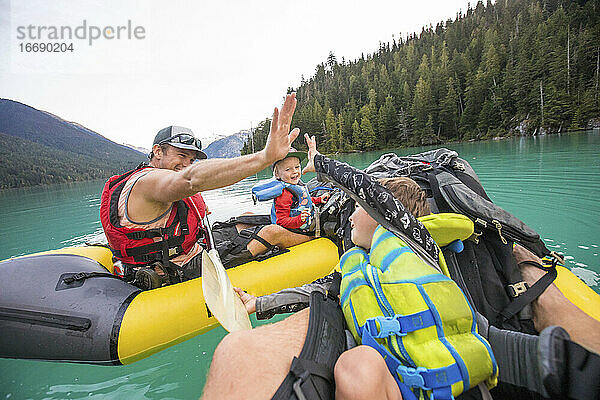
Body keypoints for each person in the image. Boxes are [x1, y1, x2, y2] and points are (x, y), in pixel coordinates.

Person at [202, 139, 600, 400]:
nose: (351, 215)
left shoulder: (416, 244)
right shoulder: (355, 265)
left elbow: (369, 192)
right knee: (357, 368)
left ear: (384, 217)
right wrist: (259, 302)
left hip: (452, 374)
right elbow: (313, 291)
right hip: (395, 379)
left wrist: (321, 163)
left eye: (359, 209)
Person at [99, 94, 312, 288]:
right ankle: (318, 240)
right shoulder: (148, 182)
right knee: (271, 233)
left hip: (189, 247)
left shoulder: (150, 179)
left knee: (246, 218)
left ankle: (299, 229)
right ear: (157, 151)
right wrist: (265, 158)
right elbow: (191, 179)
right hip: (174, 268)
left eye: (191, 160)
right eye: (181, 155)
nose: (186, 164)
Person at [254, 148, 330, 234]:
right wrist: (299, 219)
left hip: (300, 223)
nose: (294, 171)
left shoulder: (297, 185)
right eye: (288, 169)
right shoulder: (284, 194)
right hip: (290, 230)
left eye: (297, 167)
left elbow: (304, 200)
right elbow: (281, 221)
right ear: (277, 174)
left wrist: (319, 199)